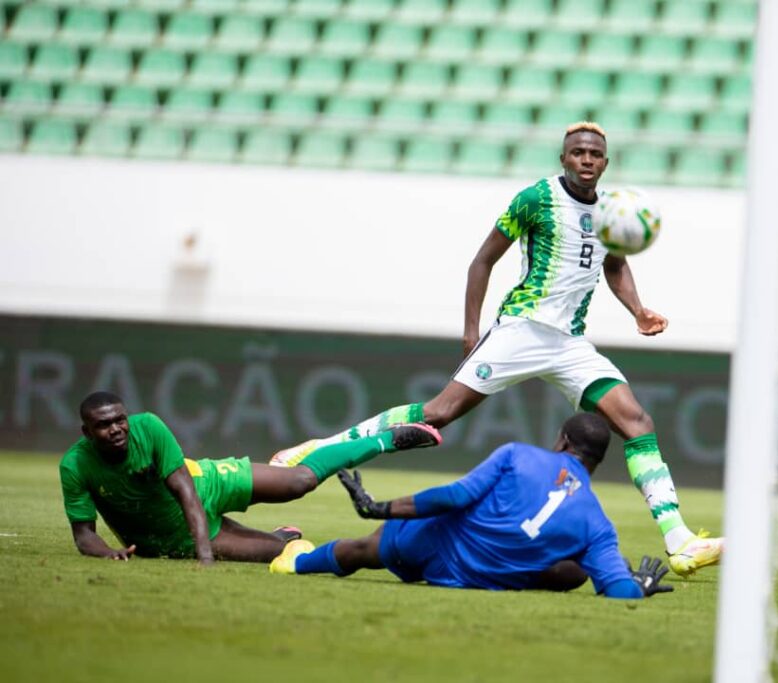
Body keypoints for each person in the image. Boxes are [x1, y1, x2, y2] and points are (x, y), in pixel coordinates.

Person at [271, 122, 722, 576]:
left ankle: (679, 540)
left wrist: (638, 311)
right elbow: (482, 261)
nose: (587, 160)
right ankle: (320, 449)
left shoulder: (610, 209)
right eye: (578, 152)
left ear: (606, 162)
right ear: (563, 158)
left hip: (570, 342)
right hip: (522, 329)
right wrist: (472, 332)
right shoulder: (535, 200)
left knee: (637, 422)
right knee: (438, 414)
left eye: (595, 154)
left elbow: (614, 264)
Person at [270, 414, 674, 600]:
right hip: (481, 577)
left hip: (431, 545)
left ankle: (296, 562)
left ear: (563, 442)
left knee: (365, 549)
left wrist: (382, 508)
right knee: (575, 569)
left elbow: (456, 496)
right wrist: (636, 586)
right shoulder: (598, 524)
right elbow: (620, 591)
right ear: (597, 462)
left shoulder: (518, 454)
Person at [59, 391, 441, 564]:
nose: (116, 429)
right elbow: (83, 534)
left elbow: (186, 491)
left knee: (299, 482)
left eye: (119, 420)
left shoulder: (149, 429)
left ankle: (384, 439)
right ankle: (281, 535)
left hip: (204, 483)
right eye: (104, 425)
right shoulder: (75, 466)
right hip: (169, 537)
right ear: (86, 432)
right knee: (284, 555)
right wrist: (110, 553)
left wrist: (205, 557)